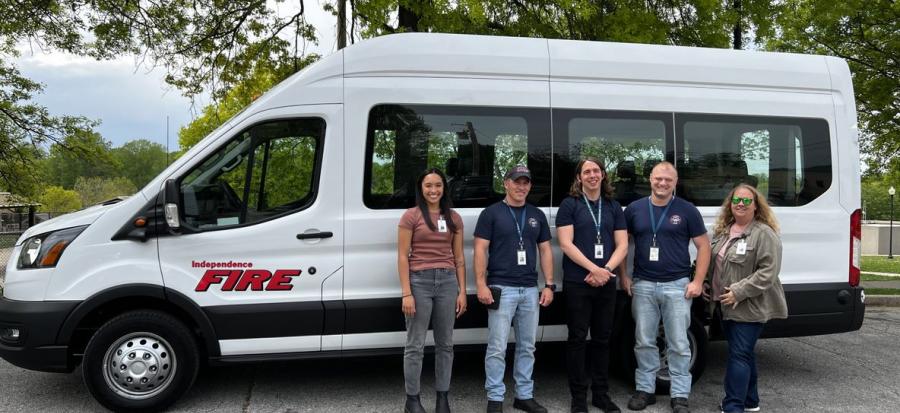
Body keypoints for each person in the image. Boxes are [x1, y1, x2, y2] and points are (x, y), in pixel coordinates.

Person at [620, 161, 710, 413]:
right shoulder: (635, 209)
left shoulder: (687, 210)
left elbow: (704, 246)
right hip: (644, 284)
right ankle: (645, 390)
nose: (662, 183)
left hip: (677, 285)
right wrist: (623, 277)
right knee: (644, 340)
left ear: (675, 182)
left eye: (668, 180)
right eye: (658, 178)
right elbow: (622, 246)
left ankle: (679, 395)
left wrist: (697, 281)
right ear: (650, 179)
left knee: (679, 343)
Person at [474, 165, 554, 413]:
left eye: (526, 183)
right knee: (497, 346)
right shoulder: (491, 213)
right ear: (506, 183)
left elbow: (545, 251)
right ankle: (495, 398)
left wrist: (549, 285)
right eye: (517, 182)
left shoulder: (536, 214)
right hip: (501, 287)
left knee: (527, 346)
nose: (521, 187)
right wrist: (480, 284)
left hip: (530, 289)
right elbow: (479, 250)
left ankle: (524, 395)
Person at [556, 158, 628, 413]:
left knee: (602, 339)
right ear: (579, 178)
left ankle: (600, 394)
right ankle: (578, 398)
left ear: (603, 175)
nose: (592, 175)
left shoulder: (613, 206)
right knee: (577, 339)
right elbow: (565, 243)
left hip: (606, 282)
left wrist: (606, 270)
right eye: (586, 172)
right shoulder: (569, 205)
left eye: (596, 171)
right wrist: (593, 269)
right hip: (579, 282)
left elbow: (622, 245)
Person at [708, 184, 787, 413]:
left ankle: (733, 406)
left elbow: (768, 273)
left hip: (749, 305)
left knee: (739, 354)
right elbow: (715, 265)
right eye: (736, 200)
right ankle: (751, 401)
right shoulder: (724, 231)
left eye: (746, 201)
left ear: (755, 206)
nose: (740, 205)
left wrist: (739, 292)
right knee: (744, 352)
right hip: (724, 305)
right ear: (730, 205)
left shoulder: (764, 234)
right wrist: (705, 284)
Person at [398, 168, 468, 413]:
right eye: (428, 185)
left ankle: (442, 397)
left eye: (438, 185)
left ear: (444, 188)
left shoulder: (454, 218)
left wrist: (462, 291)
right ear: (421, 188)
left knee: (445, 344)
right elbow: (403, 256)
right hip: (419, 282)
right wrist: (406, 293)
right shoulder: (411, 216)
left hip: (448, 282)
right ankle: (413, 399)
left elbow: (459, 257)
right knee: (415, 345)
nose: (433, 190)